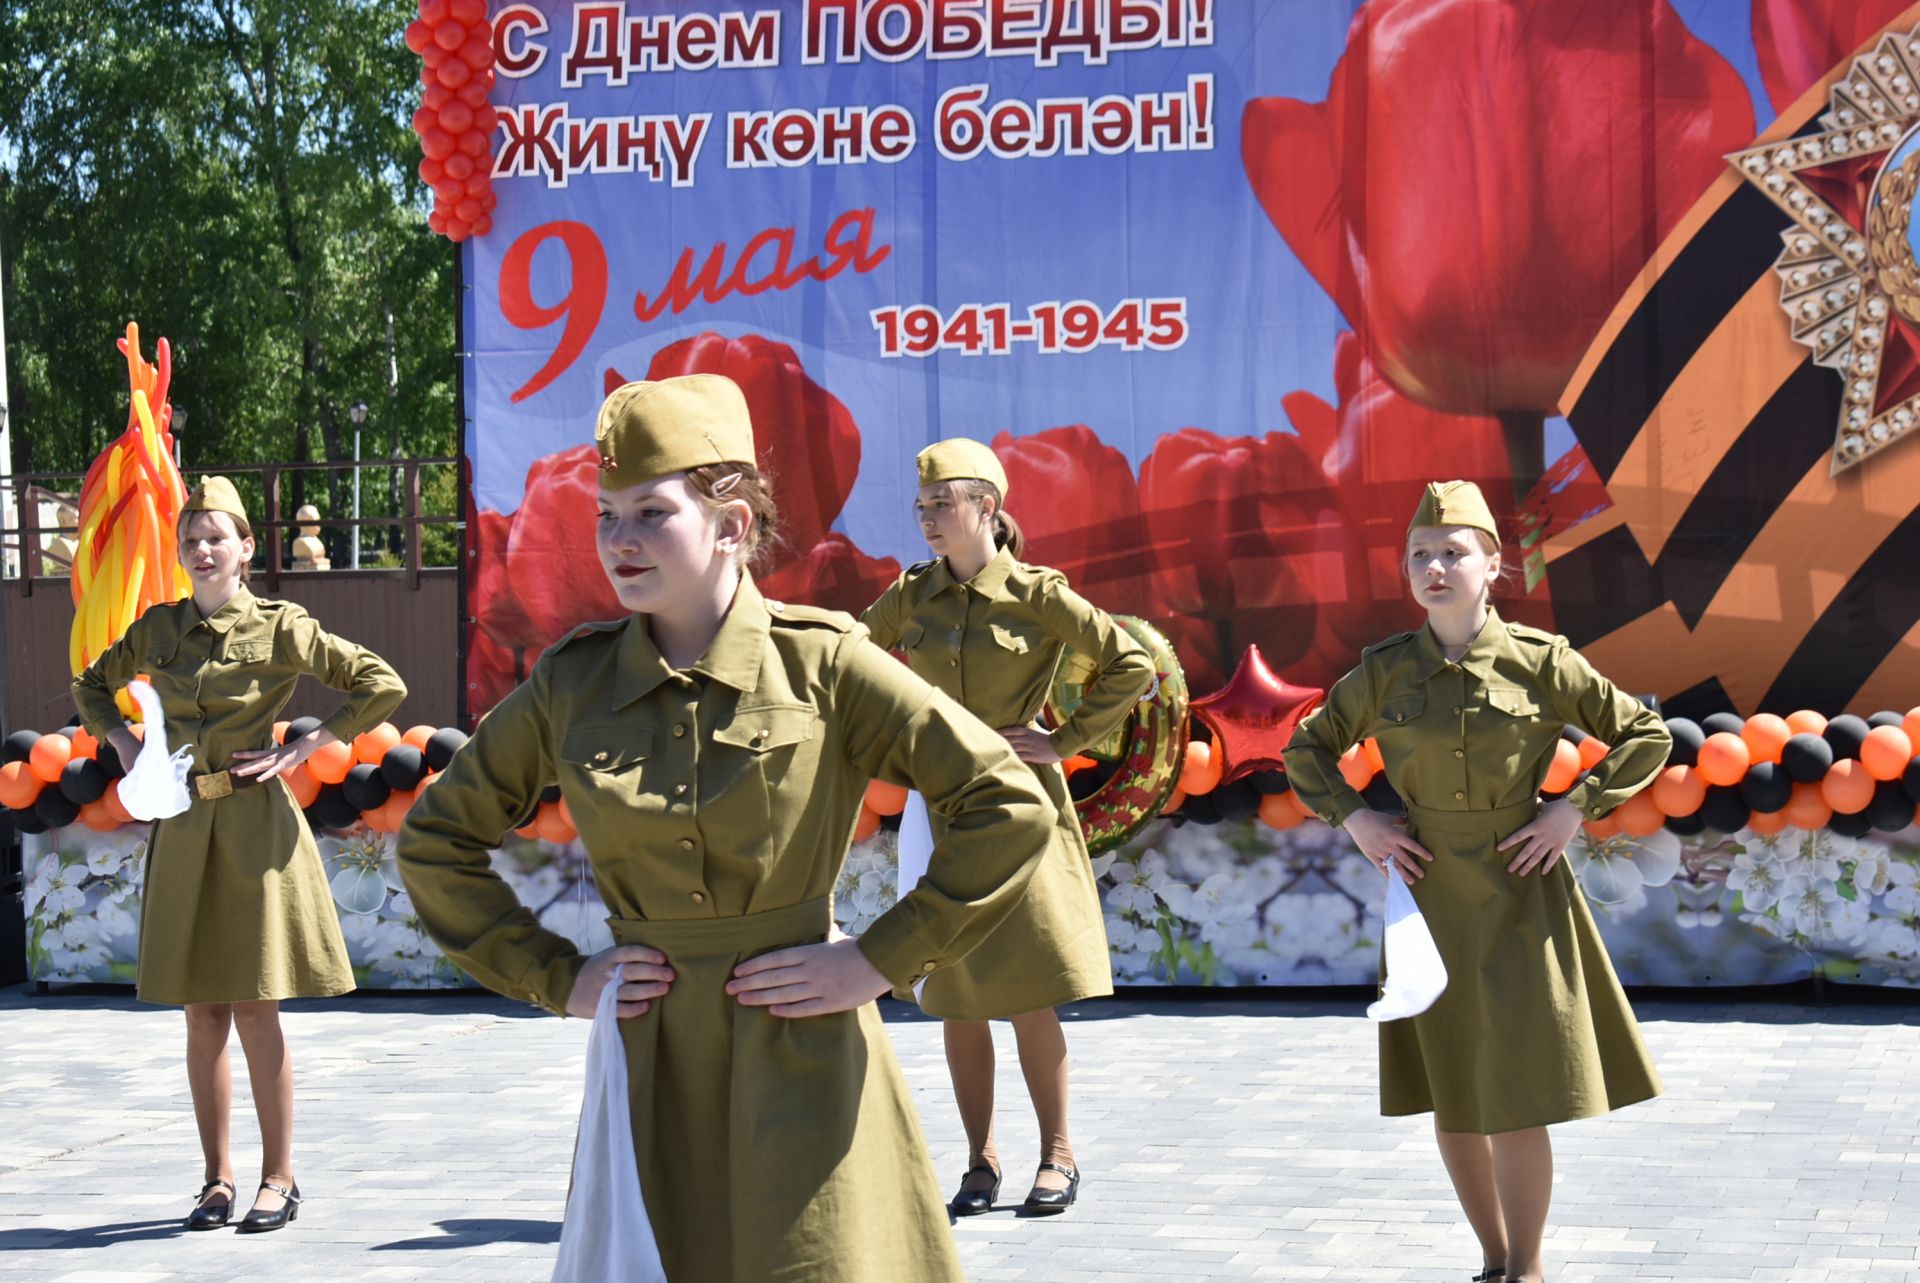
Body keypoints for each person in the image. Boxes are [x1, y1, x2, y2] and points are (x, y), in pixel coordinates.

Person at [396, 375, 1059, 1282]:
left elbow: (1006, 801)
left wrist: (879, 958)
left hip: (805, 1046)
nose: (619, 541)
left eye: (649, 513)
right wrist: (558, 977)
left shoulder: (823, 664)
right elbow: (436, 840)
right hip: (649, 1061)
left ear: (731, 525)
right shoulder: (573, 684)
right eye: (606, 513)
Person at [1282, 481, 1669, 1283]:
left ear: (1494, 564)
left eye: (1453, 552)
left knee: (1518, 1089)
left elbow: (1645, 732)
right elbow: (1307, 750)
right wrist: (1359, 820)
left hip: (1522, 891)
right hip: (1425, 898)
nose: (1435, 567)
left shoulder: (1541, 662)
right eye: (1420, 555)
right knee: (1454, 1084)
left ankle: (1526, 1267)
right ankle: (1490, 1259)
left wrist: (1573, 808)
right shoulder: (1386, 671)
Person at [72, 476, 406, 1233]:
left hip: (256, 827)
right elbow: (93, 685)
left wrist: (310, 743)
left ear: (247, 548)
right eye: (191, 539)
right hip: (187, 826)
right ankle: (215, 1179)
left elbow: (379, 683)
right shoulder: (158, 629)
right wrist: (123, 740)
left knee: (257, 1009)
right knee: (201, 1013)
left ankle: (279, 1178)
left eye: (217, 536)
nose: (202, 549)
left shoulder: (283, 626)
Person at [861, 438, 1154, 1216]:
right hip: (942, 804)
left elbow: (1133, 665)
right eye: (921, 505)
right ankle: (979, 1159)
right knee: (954, 989)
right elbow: (848, 661)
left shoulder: (1035, 592)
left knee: (1029, 984)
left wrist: (1063, 740)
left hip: (1022, 801)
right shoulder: (910, 595)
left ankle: (1059, 1154)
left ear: (987, 506)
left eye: (943, 502)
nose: (927, 518)